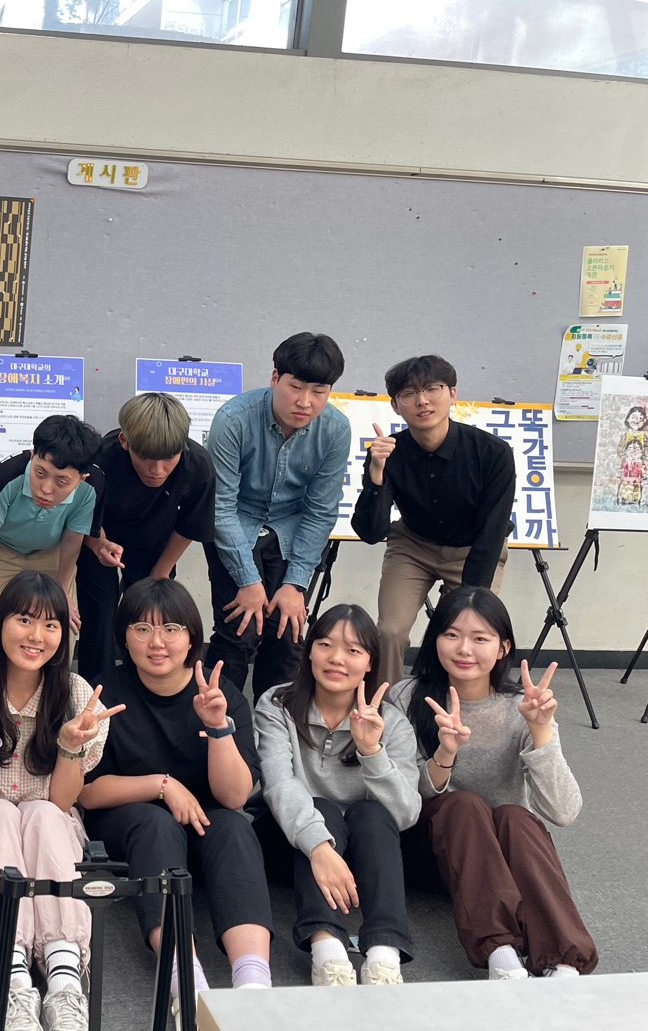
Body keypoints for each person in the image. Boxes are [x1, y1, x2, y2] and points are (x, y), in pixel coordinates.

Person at [0, 571, 123, 1031]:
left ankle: (64, 974)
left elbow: (62, 800)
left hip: (48, 836)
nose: (36, 636)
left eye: (51, 624)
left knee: (42, 813)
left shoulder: (77, 695)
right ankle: (9, 974)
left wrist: (70, 747)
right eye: (24, 620)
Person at [387, 586, 597, 980]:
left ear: (503, 648)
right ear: (434, 640)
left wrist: (541, 733)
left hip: (502, 861)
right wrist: (445, 753)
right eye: (451, 634)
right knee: (464, 804)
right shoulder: (408, 697)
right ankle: (501, 955)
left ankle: (564, 963)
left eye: (480, 638)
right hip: (429, 853)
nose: (464, 649)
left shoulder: (523, 707)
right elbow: (402, 799)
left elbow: (563, 812)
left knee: (517, 816)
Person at [79, 578, 272, 1004]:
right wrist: (162, 785)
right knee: (155, 823)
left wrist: (218, 727)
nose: (157, 642)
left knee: (235, 827)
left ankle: (254, 984)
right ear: (123, 636)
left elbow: (236, 797)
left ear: (191, 637)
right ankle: (184, 979)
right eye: (142, 628)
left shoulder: (220, 695)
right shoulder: (104, 693)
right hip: (131, 824)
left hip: (203, 824)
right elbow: (87, 792)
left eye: (171, 628)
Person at [253, 604, 419, 987]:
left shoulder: (391, 722)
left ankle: (384, 954)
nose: (336, 659)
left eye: (353, 650)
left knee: (373, 814)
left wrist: (371, 751)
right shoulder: (277, 705)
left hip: (363, 856)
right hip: (289, 845)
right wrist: (319, 846)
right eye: (325, 644)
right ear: (309, 650)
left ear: (370, 662)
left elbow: (406, 813)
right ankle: (326, 949)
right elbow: (278, 784)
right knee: (321, 807)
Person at [205, 333, 351, 698]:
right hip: (235, 522)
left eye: (318, 391)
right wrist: (248, 579)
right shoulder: (233, 420)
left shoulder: (336, 429)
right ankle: (219, 722)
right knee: (239, 630)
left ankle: (276, 725)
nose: (305, 402)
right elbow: (221, 507)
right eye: (295, 387)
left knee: (287, 634)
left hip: (291, 527)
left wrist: (295, 583)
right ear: (275, 378)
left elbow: (320, 511)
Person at [351, 356, 514, 680]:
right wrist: (376, 476)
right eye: (409, 394)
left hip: (473, 548)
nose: (422, 401)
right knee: (390, 631)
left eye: (432, 389)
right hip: (413, 545)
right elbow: (371, 532)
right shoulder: (388, 452)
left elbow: (492, 530)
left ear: (452, 393)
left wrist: (469, 601)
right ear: (396, 405)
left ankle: (443, 698)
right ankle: (387, 703)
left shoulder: (492, 452)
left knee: (459, 632)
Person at [76, 394, 216, 683]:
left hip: (155, 544)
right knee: (99, 617)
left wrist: (161, 572)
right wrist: (99, 544)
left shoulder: (198, 465)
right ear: (125, 442)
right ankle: (94, 689)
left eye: (169, 459)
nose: (157, 470)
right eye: (145, 459)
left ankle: (144, 685)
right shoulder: (101, 458)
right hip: (99, 536)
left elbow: (190, 525)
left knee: (150, 615)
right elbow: (81, 511)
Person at [0, 415, 105, 666]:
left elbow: (73, 538)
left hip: (52, 553)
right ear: (32, 454)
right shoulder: (8, 473)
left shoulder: (94, 485)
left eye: (61, 481)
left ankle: (52, 691)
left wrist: (62, 590)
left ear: (82, 478)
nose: (46, 489)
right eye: (40, 473)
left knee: (61, 627)